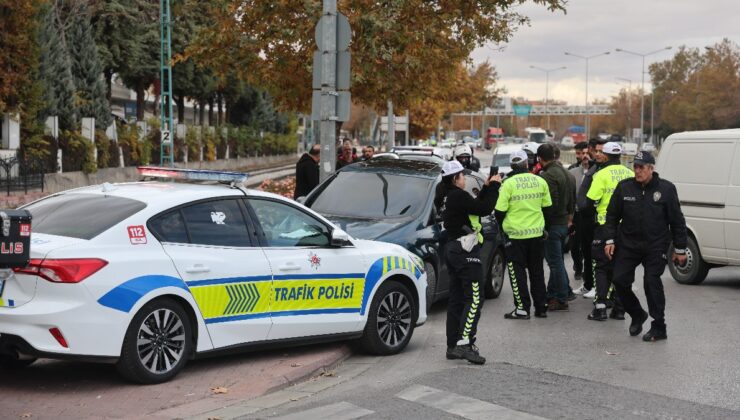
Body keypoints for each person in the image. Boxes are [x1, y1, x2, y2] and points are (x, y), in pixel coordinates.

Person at [604, 151, 687, 341]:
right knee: (618, 280)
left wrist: (680, 249)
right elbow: (612, 216)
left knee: (651, 281)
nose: (637, 170)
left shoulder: (666, 189)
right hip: (628, 243)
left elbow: (677, 221)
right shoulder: (624, 187)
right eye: (635, 166)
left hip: (655, 245)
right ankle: (637, 314)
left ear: (651, 168)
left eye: (641, 167)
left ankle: (659, 326)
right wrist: (609, 240)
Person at [438, 160, 501, 364]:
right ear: (456, 178)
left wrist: (486, 188)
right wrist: (495, 188)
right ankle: (465, 344)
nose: (464, 179)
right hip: (464, 249)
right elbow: (484, 209)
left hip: (453, 248)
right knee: (475, 297)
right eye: (462, 176)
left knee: (457, 299)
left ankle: (453, 346)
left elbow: (473, 207)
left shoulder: (446, 196)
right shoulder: (457, 195)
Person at [495, 149, 552, 319]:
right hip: (536, 235)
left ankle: (522, 308)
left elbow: (499, 211)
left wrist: (504, 227)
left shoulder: (508, 184)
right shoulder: (540, 181)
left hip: (515, 236)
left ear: (512, 165)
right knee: (537, 272)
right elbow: (548, 209)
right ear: (527, 164)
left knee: (517, 273)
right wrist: (543, 227)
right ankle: (541, 307)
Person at [584, 141, 633, 321]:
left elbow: (589, 202)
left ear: (605, 156)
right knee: (621, 267)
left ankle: (600, 307)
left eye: (600, 153)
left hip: (605, 226)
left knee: (602, 267)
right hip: (627, 227)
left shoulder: (601, 174)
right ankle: (620, 309)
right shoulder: (630, 173)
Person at [538, 144, 575, 311]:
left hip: (553, 224)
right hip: (564, 223)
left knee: (554, 263)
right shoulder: (567, 173)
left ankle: (561, 298)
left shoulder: (548, 175)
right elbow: (572, 199)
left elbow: (549, 204)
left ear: (540, 159)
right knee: (557, 260)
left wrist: (544, 224)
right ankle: (555, 293)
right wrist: (569, 217)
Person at [575, 138, 605, 299]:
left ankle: (597, 287)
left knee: (596, 255)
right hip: (585, 217)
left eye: (602, 151)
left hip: (596, 218)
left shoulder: (601, 169)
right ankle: (588, 284)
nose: (600, 154)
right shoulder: (592, 166)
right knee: (586, 252)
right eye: (598, 150)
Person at [569, 142, 591, 286]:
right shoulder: (572, 171)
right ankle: (578, 266)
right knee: (574, 245)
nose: (584, 157)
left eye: (586, 153)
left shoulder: (596, 171)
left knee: (587, 245)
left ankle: (587, 272)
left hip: (589, 214)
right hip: (575, 213)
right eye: (581, 154)